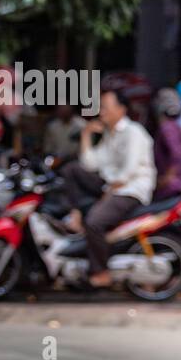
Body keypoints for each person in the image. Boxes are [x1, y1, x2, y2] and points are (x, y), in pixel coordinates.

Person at [62, 88, 156, 287]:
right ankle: (76, 212)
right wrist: (86, 135)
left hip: (129, 190)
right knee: (71, 170)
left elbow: (127, 173)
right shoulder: (109, 134)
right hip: (110, 186)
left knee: (94, 221)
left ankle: (102, 271)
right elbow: (90, 164)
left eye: (105, 107)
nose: (101, 112)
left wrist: (108, 192)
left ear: (121, 109)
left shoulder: (134, 133)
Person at [152, 88, 181, 198]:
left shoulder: (166, 127)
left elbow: (178, 154)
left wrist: (167, 178)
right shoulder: (175, 126)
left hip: (173, 188)